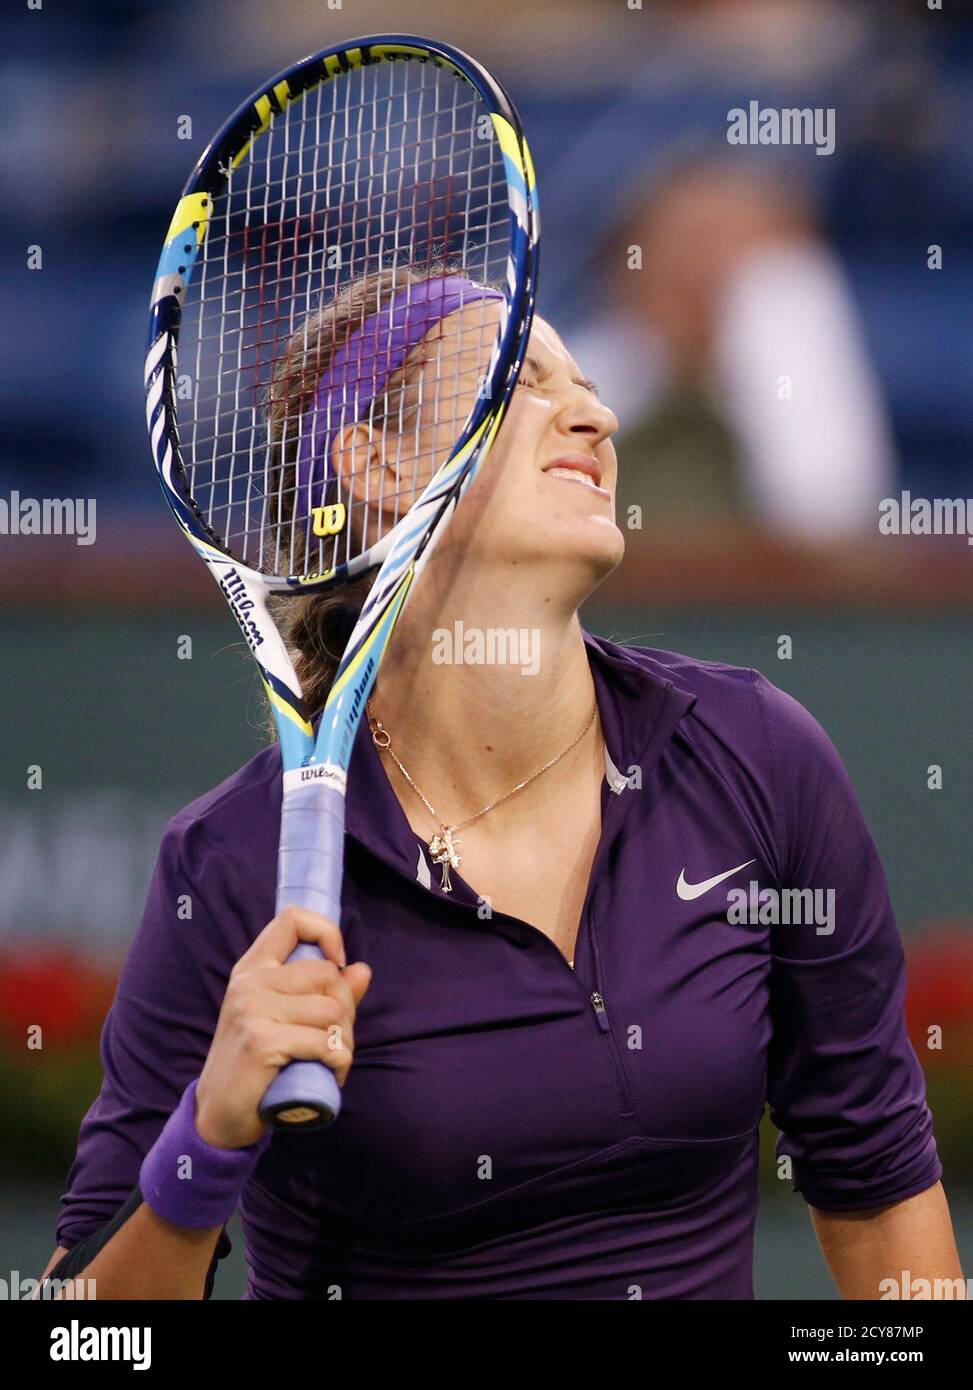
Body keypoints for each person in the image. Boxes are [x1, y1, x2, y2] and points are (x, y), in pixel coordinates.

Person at [42, 267, 962, 1300]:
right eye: (523, 381)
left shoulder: (755, 754)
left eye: (588, 384)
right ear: (374, 460)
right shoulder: (229, 863)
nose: (597, 413)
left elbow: (879, 1197)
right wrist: (206, 1140)